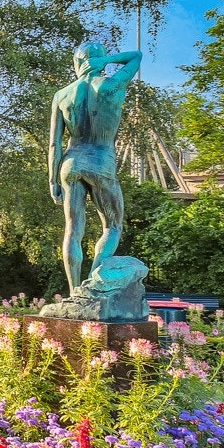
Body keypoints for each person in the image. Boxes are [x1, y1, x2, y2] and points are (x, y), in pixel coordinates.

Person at [47, 41, 142, 294]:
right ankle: (92, 286)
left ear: (76, 63)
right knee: (112, 226)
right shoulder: (112, 85)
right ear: (100, 63)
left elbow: (54, 144)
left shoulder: (62, 95)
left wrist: (52, 180)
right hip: (101, 161)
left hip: (70, 162)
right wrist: (108, 60)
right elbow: (136, 56)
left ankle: (74, 292)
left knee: (72, 229)